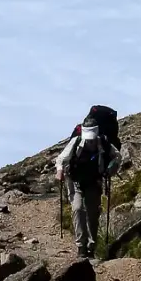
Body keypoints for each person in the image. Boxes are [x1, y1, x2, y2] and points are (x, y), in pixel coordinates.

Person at [55, 111, 121, 258]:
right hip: (75, 181)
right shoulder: (76, 142)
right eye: (88, 139)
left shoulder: (103, 142)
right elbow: (60, 159)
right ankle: (81, 247)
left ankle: (92, 246)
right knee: (78, 209)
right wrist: (59, 171)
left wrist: (111, 169)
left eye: (92, 139)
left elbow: (117, 157)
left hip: (93, 181)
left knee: (92, 213)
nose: (90, 142)